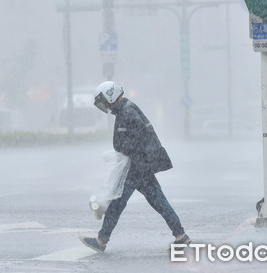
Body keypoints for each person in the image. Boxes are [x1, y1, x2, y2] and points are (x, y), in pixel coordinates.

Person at [79, 81, 191, 253]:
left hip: (137, 167)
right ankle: (181, 236)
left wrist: (127, 151)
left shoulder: (127, 111)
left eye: (104, 101)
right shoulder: (124, 110)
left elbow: (141, 136)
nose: (105, 106)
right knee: (159, 201)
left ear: (110, 95)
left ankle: (101, 241)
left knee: (117, 203)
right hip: (141, 165)